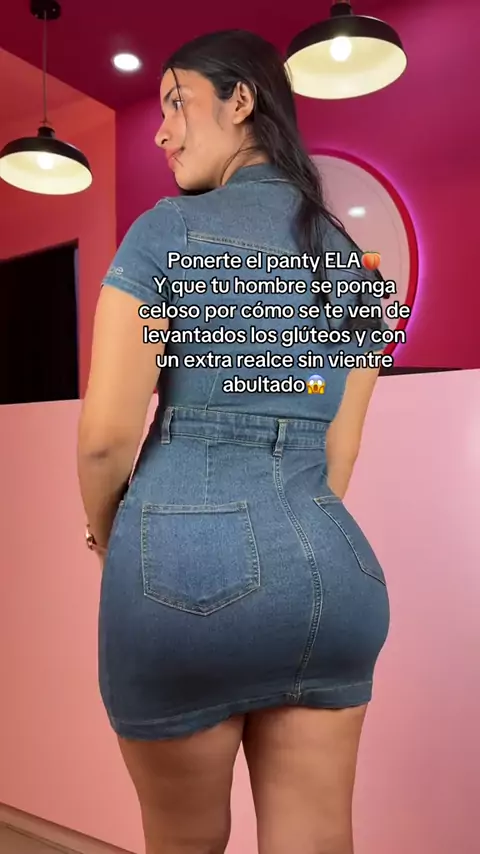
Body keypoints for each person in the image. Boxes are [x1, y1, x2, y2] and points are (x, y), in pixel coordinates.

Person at [77, 28, 390, 854]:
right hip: (333, 579)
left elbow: (106, 437)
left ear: (240, 100)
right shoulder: (356, 269)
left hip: (180, 574)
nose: (161, 131)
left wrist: (114, 542)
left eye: (175, 104)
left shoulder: (167, 231)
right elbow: (340, 457)